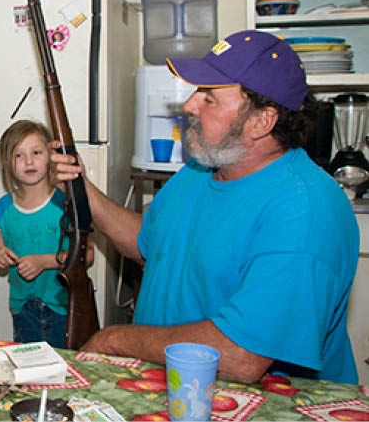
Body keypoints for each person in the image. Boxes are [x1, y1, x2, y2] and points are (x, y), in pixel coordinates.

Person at [51, 30, 359, 384]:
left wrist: (115, 340)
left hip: (268, 403)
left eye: (209, 98)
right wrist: (83, 189)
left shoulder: (306, 209)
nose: (189, 105)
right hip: (174, 387)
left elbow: (241, 356)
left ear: (262, 121)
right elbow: (150, 243)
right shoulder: (202, 169)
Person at [0, 120, 94, 348]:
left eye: (36, 152)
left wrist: (45, 262)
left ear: (51, 156)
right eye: (18, 155)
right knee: (29, 366)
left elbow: (87, 255)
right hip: (22, 310)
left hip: (64, 308)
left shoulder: (66, 201)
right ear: (7, 163)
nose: (28, 161)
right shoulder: (3, 207)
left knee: (65, 366)